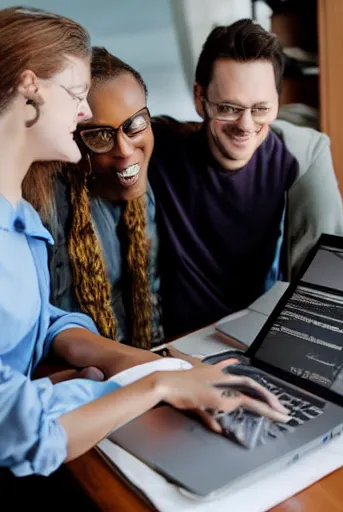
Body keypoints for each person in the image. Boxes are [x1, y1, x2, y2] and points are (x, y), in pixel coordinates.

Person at [0, 6, 289, 480]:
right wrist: (152, 386)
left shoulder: (20, 216)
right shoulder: (41, 211)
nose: (85, 113)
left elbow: (46, 323)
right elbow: (23, 432)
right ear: (30, 91)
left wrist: (164, 371)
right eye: (76, 95)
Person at [149, 19, 343, 338]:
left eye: (261, 109)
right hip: (174, 346)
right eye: (228, 108)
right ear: (200, 98)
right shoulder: (154, 147)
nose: (245, 125)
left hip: (261, 339)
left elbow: (327, 277)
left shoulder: (302, 153)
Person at [24, 47, 164, 349]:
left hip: (138, 363)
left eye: (135, 125)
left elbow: (150, 303)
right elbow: (52, 332)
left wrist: (165, 361)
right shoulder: (50, 207)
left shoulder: (142, 191)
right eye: (101, 135)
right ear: (76, 136)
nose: (124, 150)